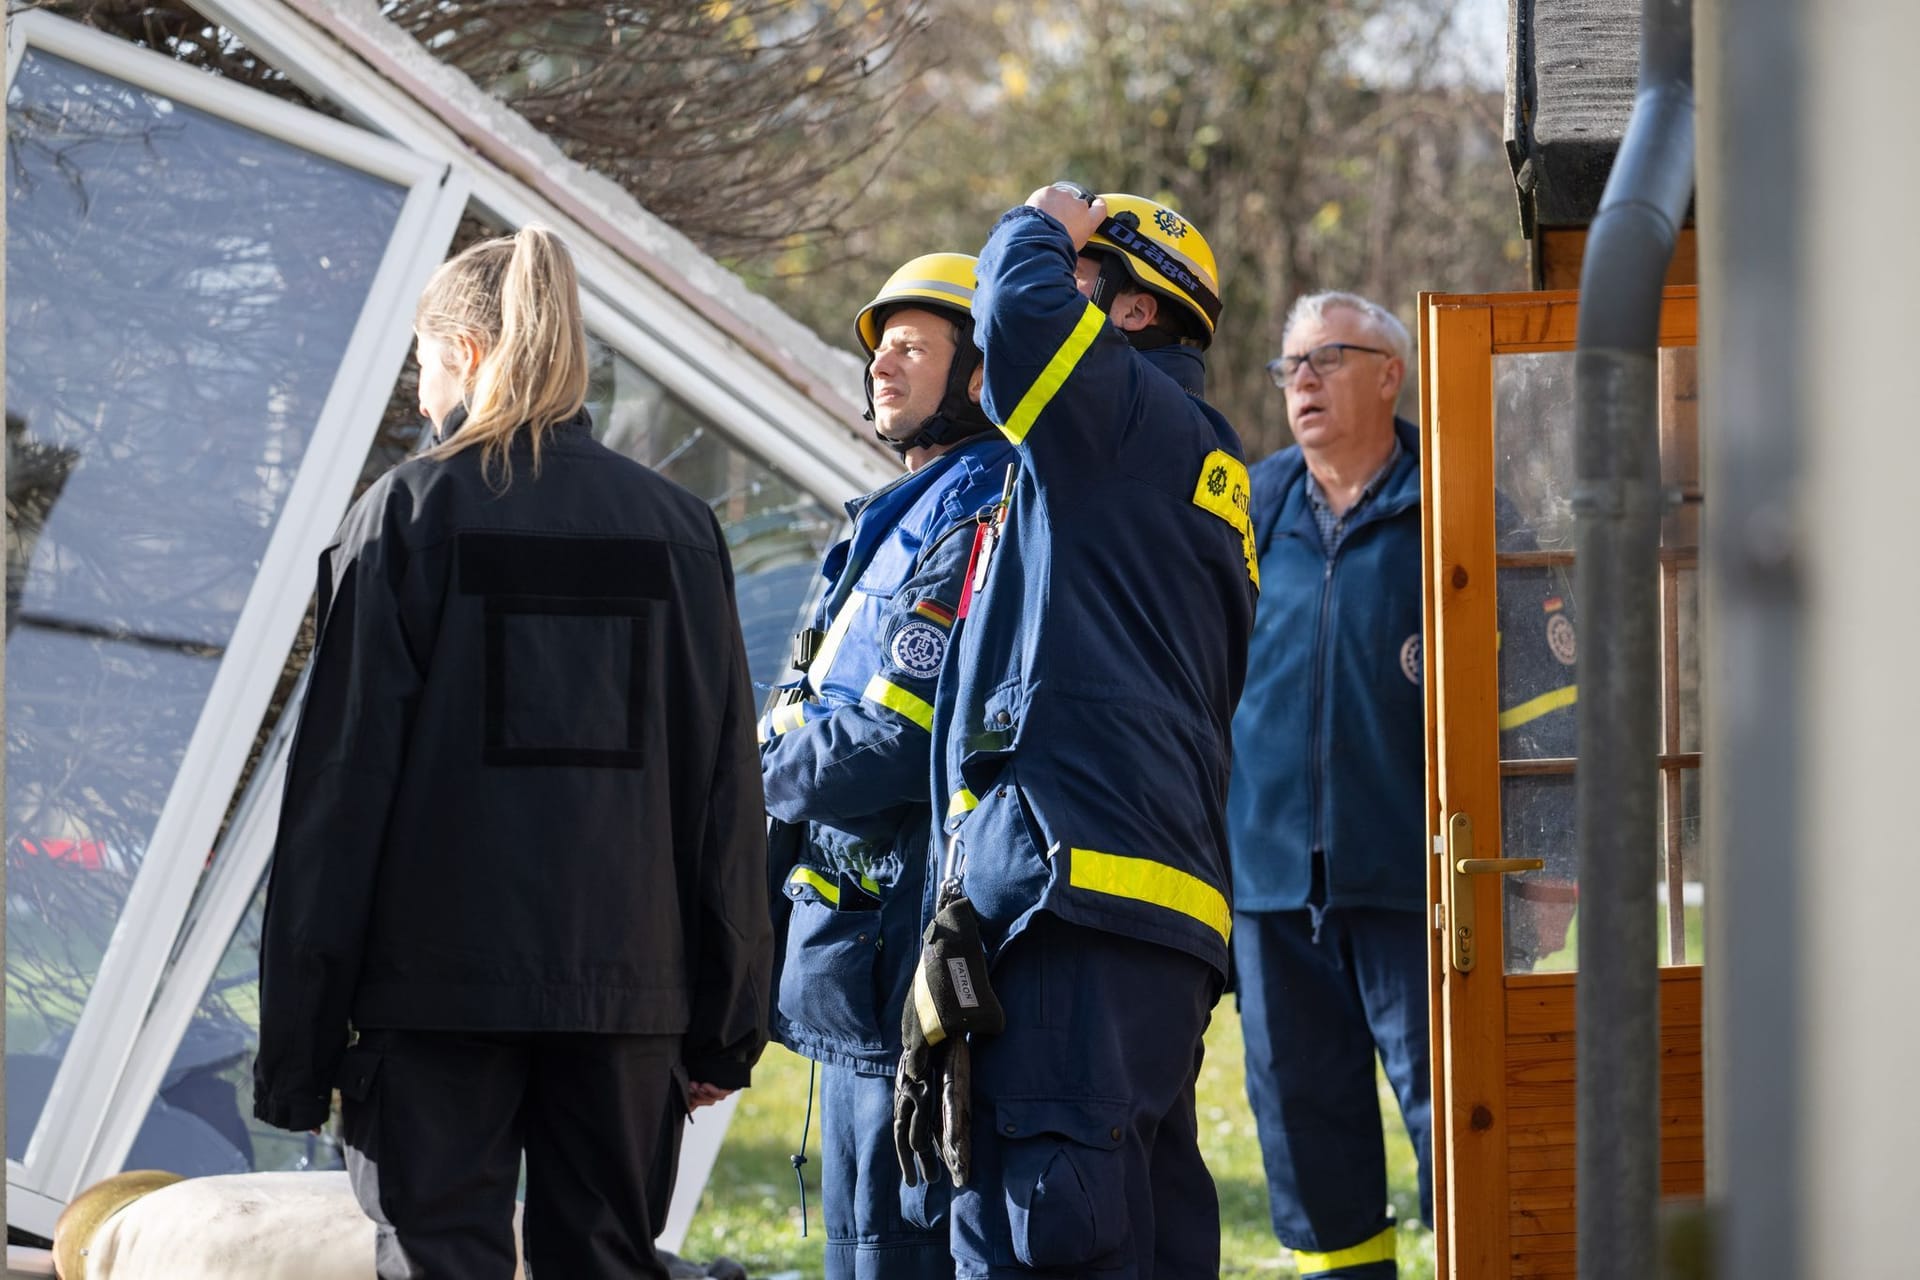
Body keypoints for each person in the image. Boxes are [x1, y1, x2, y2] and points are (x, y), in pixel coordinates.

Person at [252, 227, 772, 1280]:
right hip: (630, 994)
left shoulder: (407, 515)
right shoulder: (680, 529)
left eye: (425, 361)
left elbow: (338, 802)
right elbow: (724, 790)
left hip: (435, 998)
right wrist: (724, 1018)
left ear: (472, 354)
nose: (420, 388)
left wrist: (300, 1049)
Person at [909, 185, 1258, 1278]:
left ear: (1135, 314)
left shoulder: (1121, 419)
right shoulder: (1172, 456)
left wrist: (1038, 216)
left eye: (1084, 280)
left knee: (1049, 1233)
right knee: (1136, 1227)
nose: (1061, 287)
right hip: (1126, 900)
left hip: (1080, 886)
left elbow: (1010, 318)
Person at [760, 252, 1016, 1280]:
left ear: (977, 376)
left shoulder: (978, 505)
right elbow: (810, 697)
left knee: (892, 1249)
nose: (883, 365)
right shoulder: (888, 515)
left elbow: (892, 741)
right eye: (879, 347)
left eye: (912, 345)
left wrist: (763, 762)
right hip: (851, 967)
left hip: (900, 958)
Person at [1227, 290, 1430, 1280]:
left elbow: (1536, 696)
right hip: (1270, 890)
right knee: (1305, 1132)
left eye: (1327, 359)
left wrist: (1545, 866)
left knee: (1459, 1116)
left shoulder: (1456, 499)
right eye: (1289, 364)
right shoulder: (1250, 510)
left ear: (1390, 374)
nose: (1300, 380)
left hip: (1423, 885)